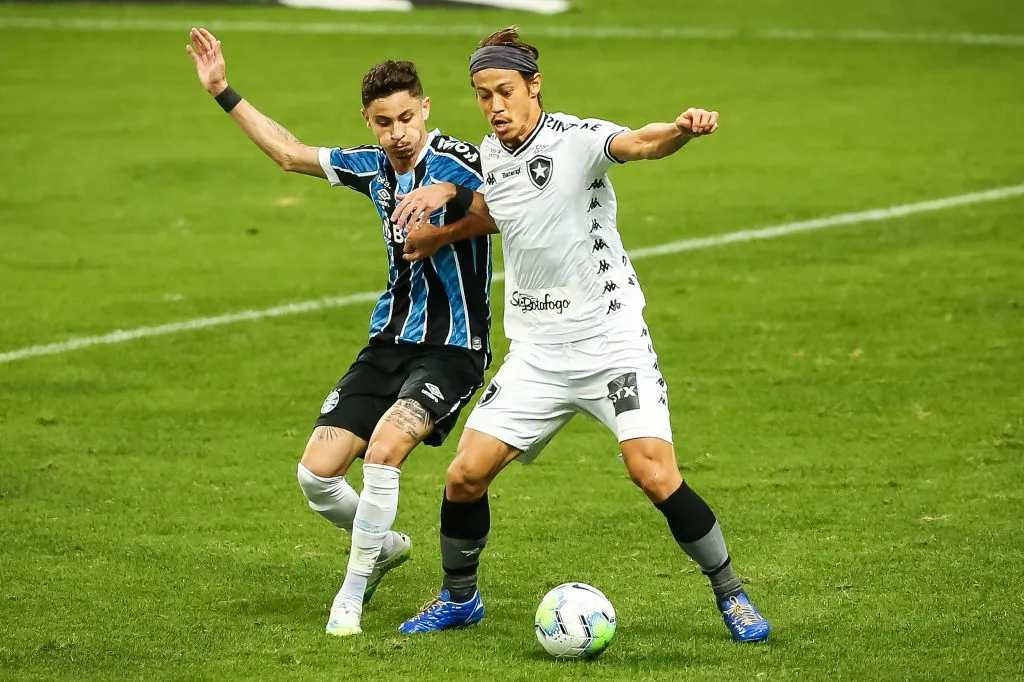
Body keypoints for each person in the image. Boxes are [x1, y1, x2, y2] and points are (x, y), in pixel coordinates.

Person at [388, 27, 770, 643]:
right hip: (537, 352)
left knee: (653, 473)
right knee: (464, 474)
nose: (495, 106)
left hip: (609, 340)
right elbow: (497, 209)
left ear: (534, 87)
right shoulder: (491, 153)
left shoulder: (578, 140)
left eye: (505, 91)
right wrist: (442, 228)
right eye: (483, 95)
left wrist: (681, 130)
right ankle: (460, 599)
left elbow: (640, 143)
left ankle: (732, 595)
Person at [186, 28, 493, 637]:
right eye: (384, 122)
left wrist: (449, 192)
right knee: (317, 475)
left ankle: (349, 596)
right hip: (388, 343)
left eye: (407, 117)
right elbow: (290, 153)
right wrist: (222, 90)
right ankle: (383, 545)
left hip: (453, 347)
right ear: (370, 121)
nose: (398, 132)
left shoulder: (460, 159)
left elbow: (505, 206)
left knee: (384, 450)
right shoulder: (373, 166)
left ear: (425, 109)